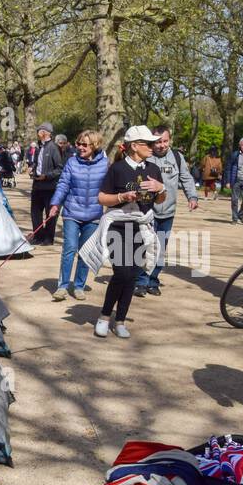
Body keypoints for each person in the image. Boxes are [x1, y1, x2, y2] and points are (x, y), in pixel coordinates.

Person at [93, 125, 166, 339]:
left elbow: (161, 200)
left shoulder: (153, 169)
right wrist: (122, 197)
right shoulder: (117, 169)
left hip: (141, 228)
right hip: (118, 226)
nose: (153, 147)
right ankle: (105, 316)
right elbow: (102, 198)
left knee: (133, 275)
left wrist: (160, 189)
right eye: (149, 143)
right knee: (122, 273)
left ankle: (121, 320)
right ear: (135, 146)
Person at [135, 124, 199, 297]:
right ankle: (140, 281)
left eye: (165, 141)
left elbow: (186, 178)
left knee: (161, 248)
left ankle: (153, 281)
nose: (161, 145)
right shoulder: (145, 157)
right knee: (146, 246)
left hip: (168, 212)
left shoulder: (177, 157)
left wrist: (192, 197)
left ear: (169, 140)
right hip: (148, 212)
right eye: (158, 142)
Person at [47, 129, 108, 301]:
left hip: (94, 215)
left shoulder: (105, 163)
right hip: (72, 212)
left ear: (94, 145)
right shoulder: (72, 162)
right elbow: (63, 185)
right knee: (70, 248)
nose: (80, 147)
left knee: (85, 252)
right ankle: (62, 286)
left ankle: (79, 285)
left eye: (84, 144)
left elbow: (110, 188)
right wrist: (55, 204)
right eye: (78, 144)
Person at [30, 122, 64, 245]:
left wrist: (47, 176)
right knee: (35, 212)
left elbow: (59, 169)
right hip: (37, 185)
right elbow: (36, 163)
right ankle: (38, 236)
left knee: (50, 214)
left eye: (39, 131)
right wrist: (32, 168)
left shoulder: (54, 147)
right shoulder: (38, 147)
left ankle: (48, 238)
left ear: (45, 132)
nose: (38, 133)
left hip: (49, 187)